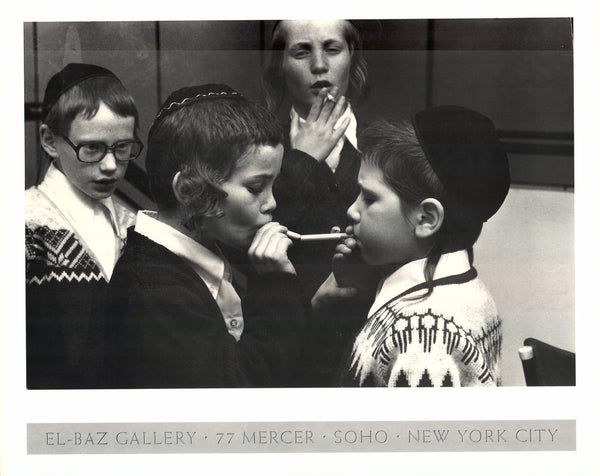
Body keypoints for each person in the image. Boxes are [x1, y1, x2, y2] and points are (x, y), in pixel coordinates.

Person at [103, 84, 309, 388]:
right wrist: (277, 285)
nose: (272, 203)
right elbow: (237, 392)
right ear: (189, 189)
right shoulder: (154, 292)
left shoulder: (185, 262)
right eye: (255, 188)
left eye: (272, 186)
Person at [335, 106, 510, 387]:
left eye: (369, 198)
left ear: (426, 219)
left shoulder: (423, 339)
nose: (352, 210)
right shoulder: (454, 294)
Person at [262, 19, 375, 386]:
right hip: (291, 360)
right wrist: (302, 162)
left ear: (352, 56)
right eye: (301, 52)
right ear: (279, 64)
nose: (319, 65)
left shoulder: (386, 144)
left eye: (332, 48)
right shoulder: (255, 150)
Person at [25, 63, 141, 389]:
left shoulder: (135, 225)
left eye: (122, 147)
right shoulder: (24, 227)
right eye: (92, 148)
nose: (111, 166)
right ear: (50, 141)